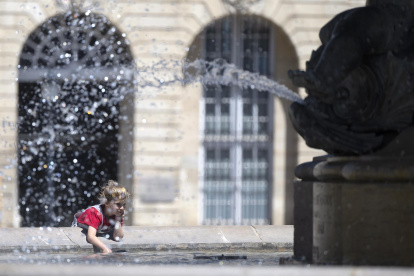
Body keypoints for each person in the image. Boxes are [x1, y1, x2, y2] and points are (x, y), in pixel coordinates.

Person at [72, 180, 130, 253]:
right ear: (107, 203)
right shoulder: (95, 213)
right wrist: (105, 248)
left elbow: (118, 238)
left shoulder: (118, 214)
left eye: (124, 205)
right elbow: (90, 237)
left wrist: (118, 220)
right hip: (79, 225)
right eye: (118, 204)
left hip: (101, 228)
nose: (122, 208)